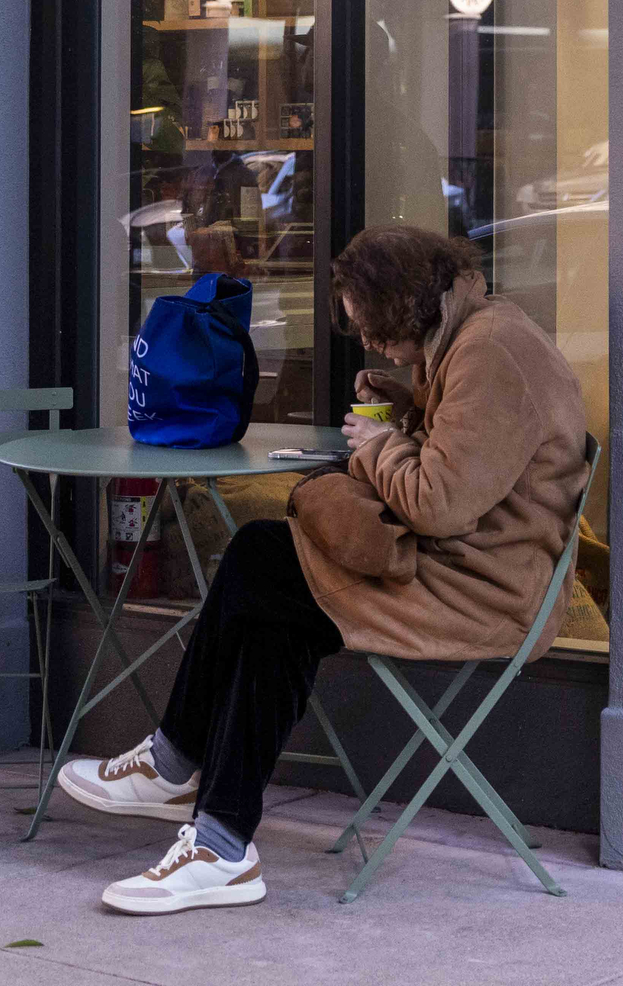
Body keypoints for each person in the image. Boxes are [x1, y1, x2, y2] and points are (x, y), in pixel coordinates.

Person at [56, 225, 588, 914]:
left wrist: (378, 445)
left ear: (404, 308)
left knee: (265, 570)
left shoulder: (491, 352)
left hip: (478, 590)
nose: (372, 344)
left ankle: (190, 790)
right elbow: (474, 461)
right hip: (457, 568)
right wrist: (405, 409)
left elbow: (438, 502)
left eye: (374, 328)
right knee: (273, 590)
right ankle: (209, 827)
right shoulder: (475, 335)